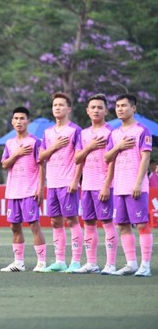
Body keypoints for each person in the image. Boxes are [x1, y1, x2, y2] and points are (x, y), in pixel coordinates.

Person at [104, 94, 153, 277]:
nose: (120, 109)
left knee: (141, 225)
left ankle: (145, 266)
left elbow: (146, 158)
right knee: (122, 225)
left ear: (133, 108)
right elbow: (107, 157)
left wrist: (138, 183)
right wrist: (118, 146)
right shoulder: (114, 134)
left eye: (124, 105)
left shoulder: (142, 130)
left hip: (136, 186)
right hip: (119, 187)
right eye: (117, 106)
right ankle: (131, 264)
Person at [38, 92, 83, 273]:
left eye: (61, 105)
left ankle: (76, 261)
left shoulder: (75, 130)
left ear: (68, 109)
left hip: (68, 182)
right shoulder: (47, 132)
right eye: (55, 105)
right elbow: (41, 156)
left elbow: (80, 158)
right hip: (52, 183)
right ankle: (60, 261)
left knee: (71, 220)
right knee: (55, 222)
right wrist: (54, 146)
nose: (57, 108)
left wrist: (75, 180)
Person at [72, 94, 117, 274]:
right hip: (87, 185)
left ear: (106, 111)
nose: (96, 110)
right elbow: (77, 159)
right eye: (93, 107)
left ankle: (111, 264)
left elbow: (112, 160)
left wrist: (107, 185)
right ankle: (92, 263)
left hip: (103, 185)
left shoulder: (111, 132)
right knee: (88, 223)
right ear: (87, 111)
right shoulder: (83, 134)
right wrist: (89, 147)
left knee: (107, 222)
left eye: (100, 107)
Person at [0, 107, 47, 272]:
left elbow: (41, 165)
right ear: (12, 122)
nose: (19, 121)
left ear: (28, 121)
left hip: (29, 190)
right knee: (14, 226)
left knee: (34, 225)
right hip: (13, 191)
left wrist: (40, 188)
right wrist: (17, 153)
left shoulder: (35, 142)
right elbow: (4, 164)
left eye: (22, 118)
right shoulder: (9, 143)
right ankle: (18, 263)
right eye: (16, 118)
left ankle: (41, 262)